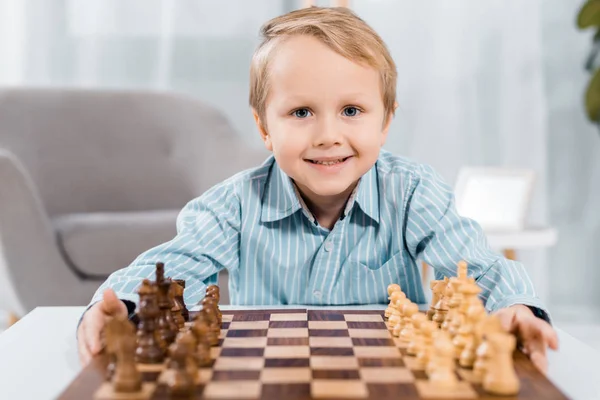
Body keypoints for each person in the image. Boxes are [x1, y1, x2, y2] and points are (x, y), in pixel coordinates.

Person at [77, 6, 558, 372]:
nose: (328, 135)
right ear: (264, 127)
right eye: (301, 112)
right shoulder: (232, 205)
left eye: (351, 110)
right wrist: (124, 308)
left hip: (393, 377)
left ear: (386, 121)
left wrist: (514, 308)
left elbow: (477, 265)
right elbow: (176, 267)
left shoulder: (413, 193)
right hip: (268, 376)